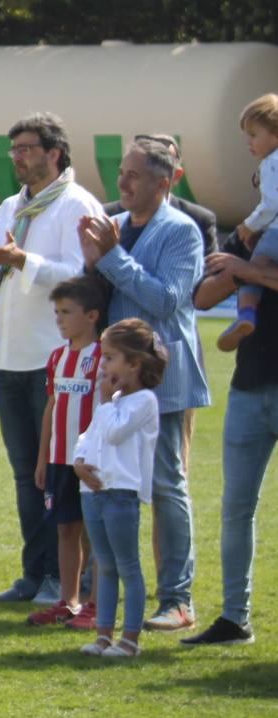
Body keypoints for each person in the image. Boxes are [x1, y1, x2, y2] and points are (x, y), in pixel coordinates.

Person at [0, 113, 99, 607]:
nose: (16, 157)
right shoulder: (14, 205)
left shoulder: (77, 205)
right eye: (12, 148)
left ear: (55, 152)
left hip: (53, 360)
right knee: (25, 474)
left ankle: (67, 579)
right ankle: (34, 574)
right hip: (9, 357)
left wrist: (23, 261)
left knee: (58, 473)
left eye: (27, 148)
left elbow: (82, 278)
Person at [81, 135, 210, 634]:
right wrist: (89, 261)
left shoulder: (182, 232)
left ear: (165, 182)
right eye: (122, 173)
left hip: (163, 382)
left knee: (165, 485)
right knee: (109, 477)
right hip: (115, 382)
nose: (122, 183)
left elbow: (167, 300)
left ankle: (177, 599)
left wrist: (111, 258)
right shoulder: (114, 226)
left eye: (133, 175)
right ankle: (106, 590)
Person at [187, 227, 275, 645]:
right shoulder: (254, 231)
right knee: (236, 509)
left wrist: (250, 272)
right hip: (248, 389)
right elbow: (202, 298)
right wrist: (239, 271)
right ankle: (234, 618)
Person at [73, 319, 168, 659]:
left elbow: (114, 433)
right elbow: (90, 435)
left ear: (135, 363)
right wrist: (78, 461)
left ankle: (129, 639)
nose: (104, 365)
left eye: (110, 358)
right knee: (105, 565)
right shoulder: (111, 402)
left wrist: (103, 401)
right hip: (94, 493)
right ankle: (103, 634)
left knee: (127, 566)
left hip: (121, 494)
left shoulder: (143, 402)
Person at [30, 275, 107, 629]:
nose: (59, 319)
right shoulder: (58, 357)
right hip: (60, 458)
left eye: (66, 312)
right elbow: (51, 407)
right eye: (57, 312)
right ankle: (68, 599)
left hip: (91, 461)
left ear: (92, 315)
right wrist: (43, 457)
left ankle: (96, 604)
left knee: (94, 530)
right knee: (65, 528)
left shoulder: (104, 356)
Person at [218, 93, 278, 352]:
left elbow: (271, 206)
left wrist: (248, 226)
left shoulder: (270, 163)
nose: (248, 142)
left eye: (254, 135)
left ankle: (246, 314)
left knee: (250, 269)